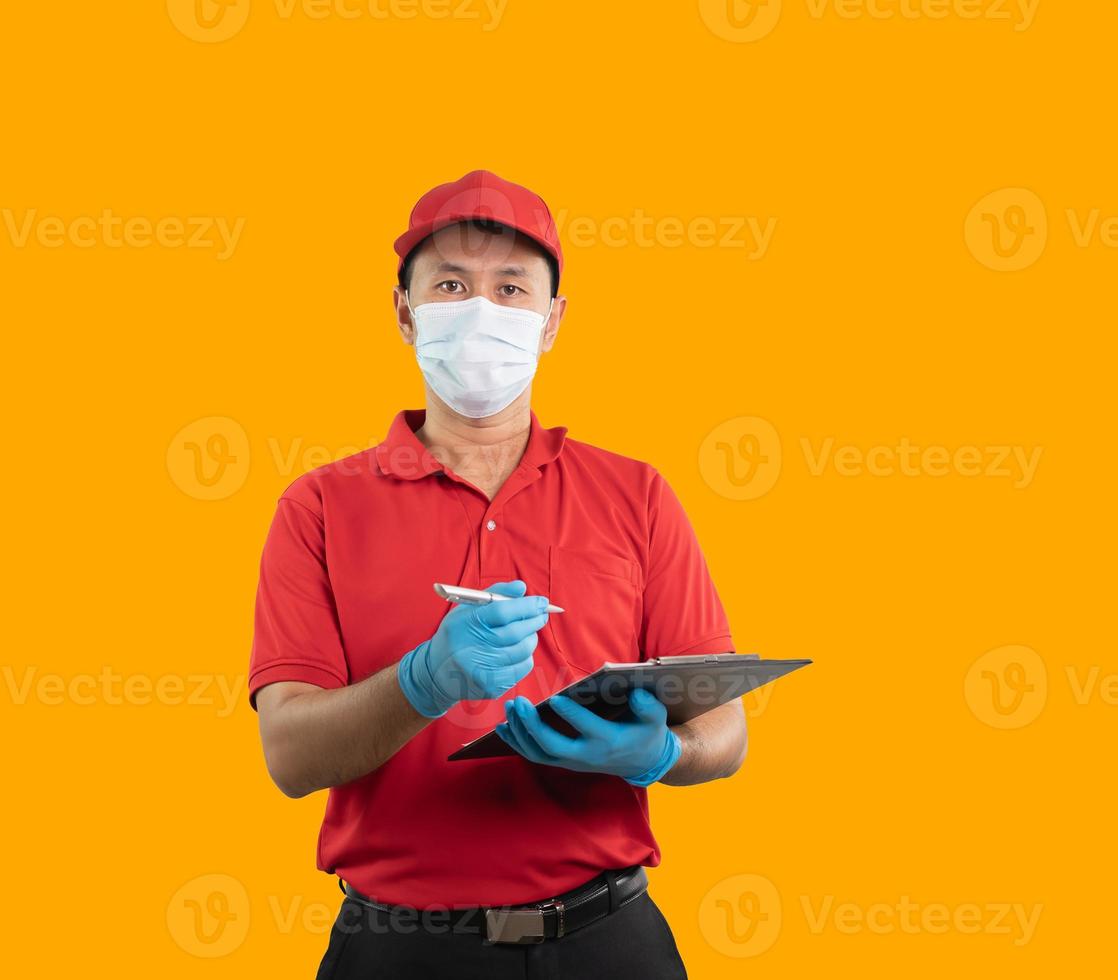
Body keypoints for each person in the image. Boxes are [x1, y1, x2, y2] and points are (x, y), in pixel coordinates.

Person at [250, 170, 746, 979]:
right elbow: (290, 759)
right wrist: (424, 681)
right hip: (397, 954)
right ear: (404, 312)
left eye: (511, 287)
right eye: (451, 283)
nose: (482, 311)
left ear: (551, 323)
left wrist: (659, 755)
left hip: (608, 943)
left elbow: (725, 734)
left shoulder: (638, 494)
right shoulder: (318, 508)